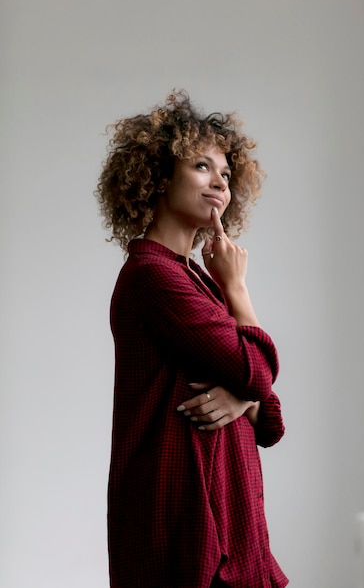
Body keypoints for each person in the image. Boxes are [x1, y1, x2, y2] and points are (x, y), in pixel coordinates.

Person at [96, 90, 288, 588]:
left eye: (226, 173)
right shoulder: (154, 275)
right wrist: (238, 288)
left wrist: (245, 394)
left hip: (226, 518)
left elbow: (268, 418)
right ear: (160, 177)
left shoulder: (194, 279)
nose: (219, 183)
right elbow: (258, 373)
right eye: (201, 166)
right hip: (183, 519)